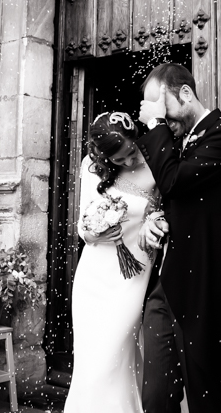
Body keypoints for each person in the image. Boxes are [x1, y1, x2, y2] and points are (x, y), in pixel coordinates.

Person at [137, 63, 221, 413]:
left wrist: (154, 125)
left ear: (185, 94)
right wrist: (151, 220)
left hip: (204, 281)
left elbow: (175, 182)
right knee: (156, 395)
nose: (161, 118)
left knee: (204, 396)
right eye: (155, 113)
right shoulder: (174, 141)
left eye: (163, 107)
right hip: (166, 283)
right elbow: (169, 197)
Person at [64, 112, 162, 413]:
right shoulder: (92, 167)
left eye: (132, 152)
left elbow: (172, 212)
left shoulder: (158, 158)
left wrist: (157, 219)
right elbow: (83, 229)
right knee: (92, 365)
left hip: (132, 278)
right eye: (120, 161)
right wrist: (98, 228)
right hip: (95, 276)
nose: (129, 162)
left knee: (116, 354)